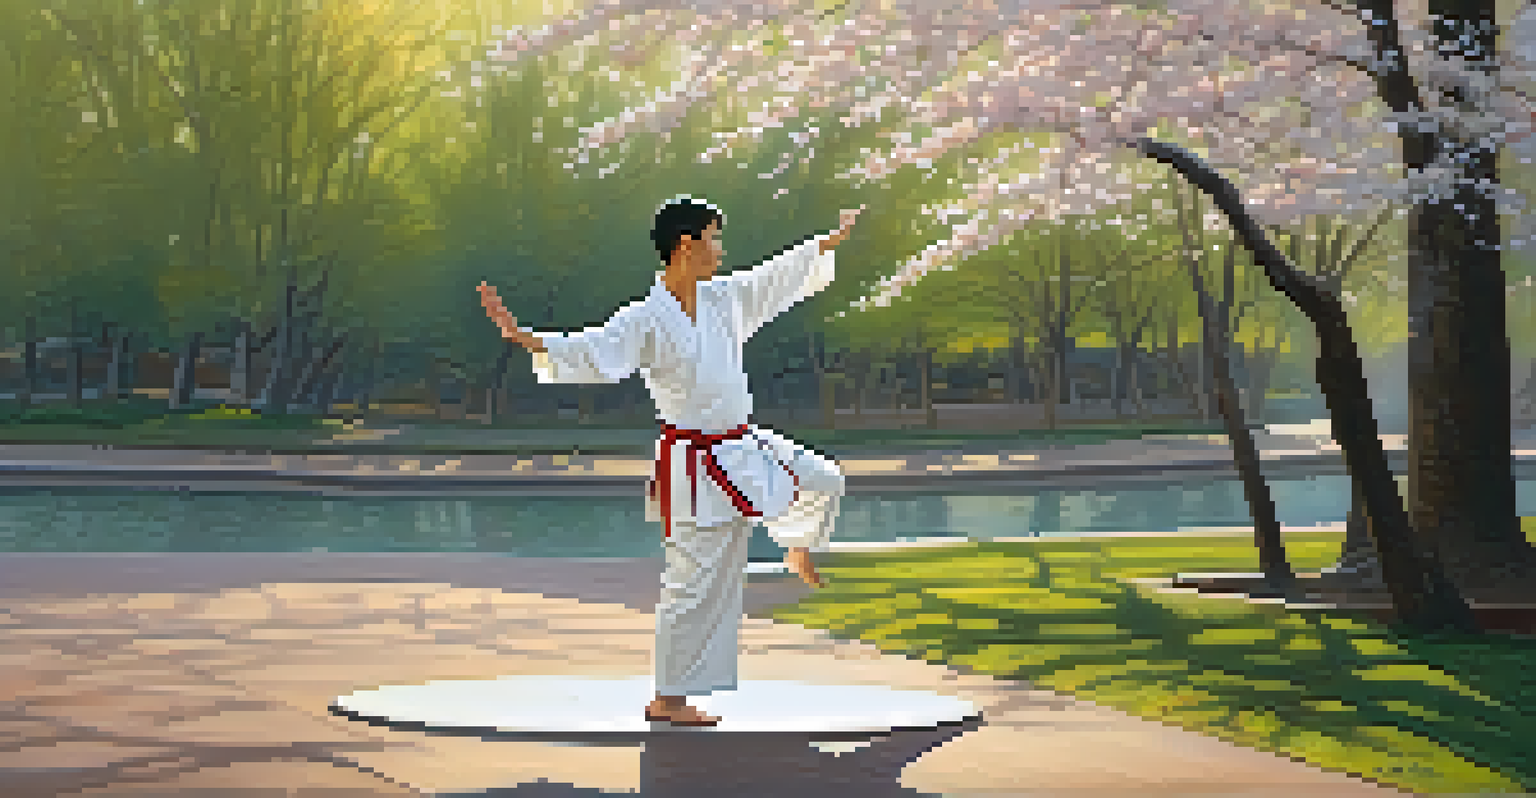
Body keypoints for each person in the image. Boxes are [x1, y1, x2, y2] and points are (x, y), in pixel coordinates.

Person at [477, 196, 863, 726]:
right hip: (693, 463)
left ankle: (797, 545)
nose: (721, 251)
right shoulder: (647, 319)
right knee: (695, 579)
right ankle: (670, 698)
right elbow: (596, 349)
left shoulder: (724, 299)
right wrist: (527, 339)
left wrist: (824, 245)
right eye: (714, 238)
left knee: (824, 478)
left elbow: (774, 277)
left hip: (742, 445)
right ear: (688, 244)